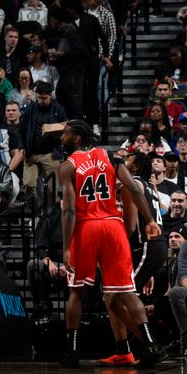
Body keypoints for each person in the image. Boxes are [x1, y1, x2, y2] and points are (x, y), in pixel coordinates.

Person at [58, 119, 166, 368]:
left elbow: (69, 211)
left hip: (86, 227)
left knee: (77, 291)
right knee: (125, 291)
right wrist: (149, 219)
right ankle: (150, 344)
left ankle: (72, 352)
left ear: (77, 138)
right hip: (112, 225)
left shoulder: (68, 166)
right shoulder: (112, 157)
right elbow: (134, 189)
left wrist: (65, 247)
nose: (61, 138)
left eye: (65, 134)